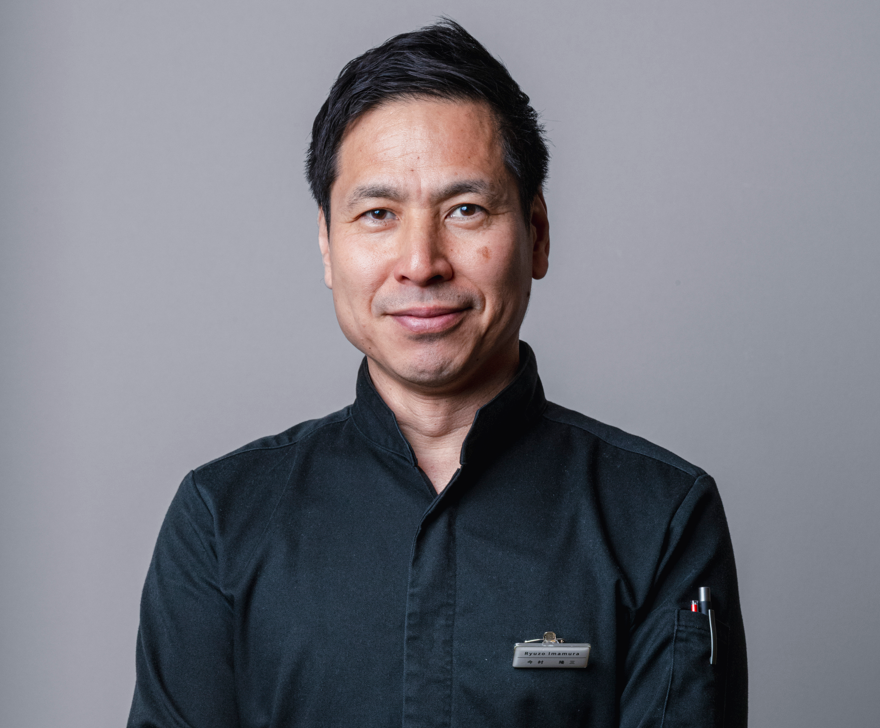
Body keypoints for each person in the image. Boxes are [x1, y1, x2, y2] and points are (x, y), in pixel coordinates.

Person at [128, 19, 747, 728]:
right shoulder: (220, 519)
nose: (421, 263)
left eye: (465, 210)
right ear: (327, 246)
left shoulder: (661, 518)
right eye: (378, 213)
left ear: (537, 233)